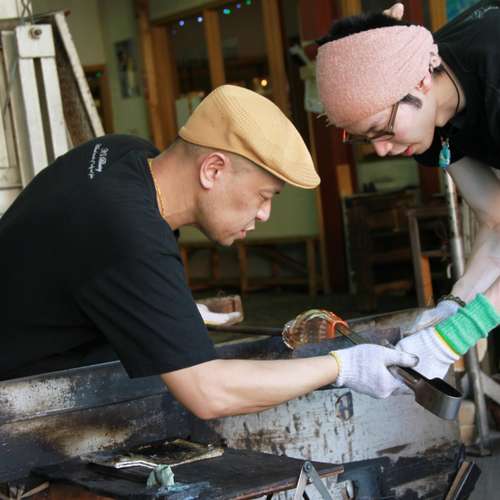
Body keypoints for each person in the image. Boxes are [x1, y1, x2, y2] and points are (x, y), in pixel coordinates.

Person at [0, 84, 423, 417]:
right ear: (213, 169)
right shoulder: (126, 229)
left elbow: (84, 268)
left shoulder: (124, 153)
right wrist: (345, 367)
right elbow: (208, 392)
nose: (264, 214)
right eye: (264, 196)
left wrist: (165, 308)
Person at [315, 3, 500, 381]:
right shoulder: (431, 120)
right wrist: (455, 305)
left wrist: (456, 336)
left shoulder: (494, 69)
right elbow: (497, 218)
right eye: (365, 138)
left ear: (421, 83)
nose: (382, 149)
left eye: (382, 129)